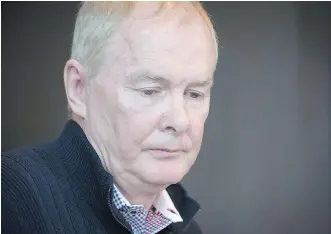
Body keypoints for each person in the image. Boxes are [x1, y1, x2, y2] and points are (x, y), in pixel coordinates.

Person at [2, 1, 218, 234]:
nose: (180, 121)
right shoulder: (11, 199)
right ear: (79, 88)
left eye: (194, 93)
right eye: (149, 90)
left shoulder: (188, 229)